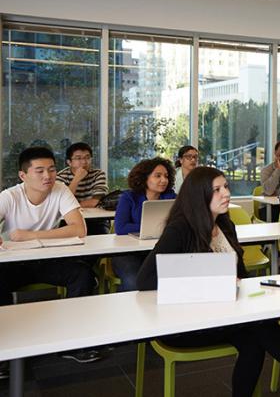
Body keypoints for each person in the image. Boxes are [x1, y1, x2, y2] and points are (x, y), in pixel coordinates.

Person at [136, 167, 280, 397]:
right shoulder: (180, 229)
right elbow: (145, 279)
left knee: (255, 337)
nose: (226, 193)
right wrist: (210, 282)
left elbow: (240, 276)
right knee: (260, 327)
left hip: (226, 314)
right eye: (217, 190)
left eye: (226, 187)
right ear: (199, 196)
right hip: (187, 322)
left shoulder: (226, 225)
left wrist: (253, 290)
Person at [0, 146, 101, 363]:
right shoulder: (9, 197)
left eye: (52, 169)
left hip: (48, 259)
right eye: (39, 170)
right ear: (23, 175)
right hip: (14, 264)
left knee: (82, 274)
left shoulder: (60, 189)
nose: (48, 176)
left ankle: (72, 342)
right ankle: (5, 350)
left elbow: (78, 229)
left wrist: (30, 235)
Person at [112, 157, 176, 291]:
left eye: (166, 176)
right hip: (127, 252)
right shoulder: (129, 197)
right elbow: (120, 227)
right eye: (157, 176)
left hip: (157, 249)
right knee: (133, 281)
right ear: (144, 178)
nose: (164, 180)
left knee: (168, 279)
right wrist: (153, 227)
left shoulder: (171, 197)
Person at [56, 142, 110, 235]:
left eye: (87, 157)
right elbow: (60, 203)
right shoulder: (60, 177)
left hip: (96, 219)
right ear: (69, 162)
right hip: (68, 220)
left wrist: (70, 207)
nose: (84, 162)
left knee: (101, 236)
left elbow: (95, 201)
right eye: (78, 158)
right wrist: (76, 179)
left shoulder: (98, 174)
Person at [260, 139, 280, 221]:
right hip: (269, 207)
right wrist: (278, 170)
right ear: (275, 152)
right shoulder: (266, 170)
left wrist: (277, 192)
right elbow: (269, 191)